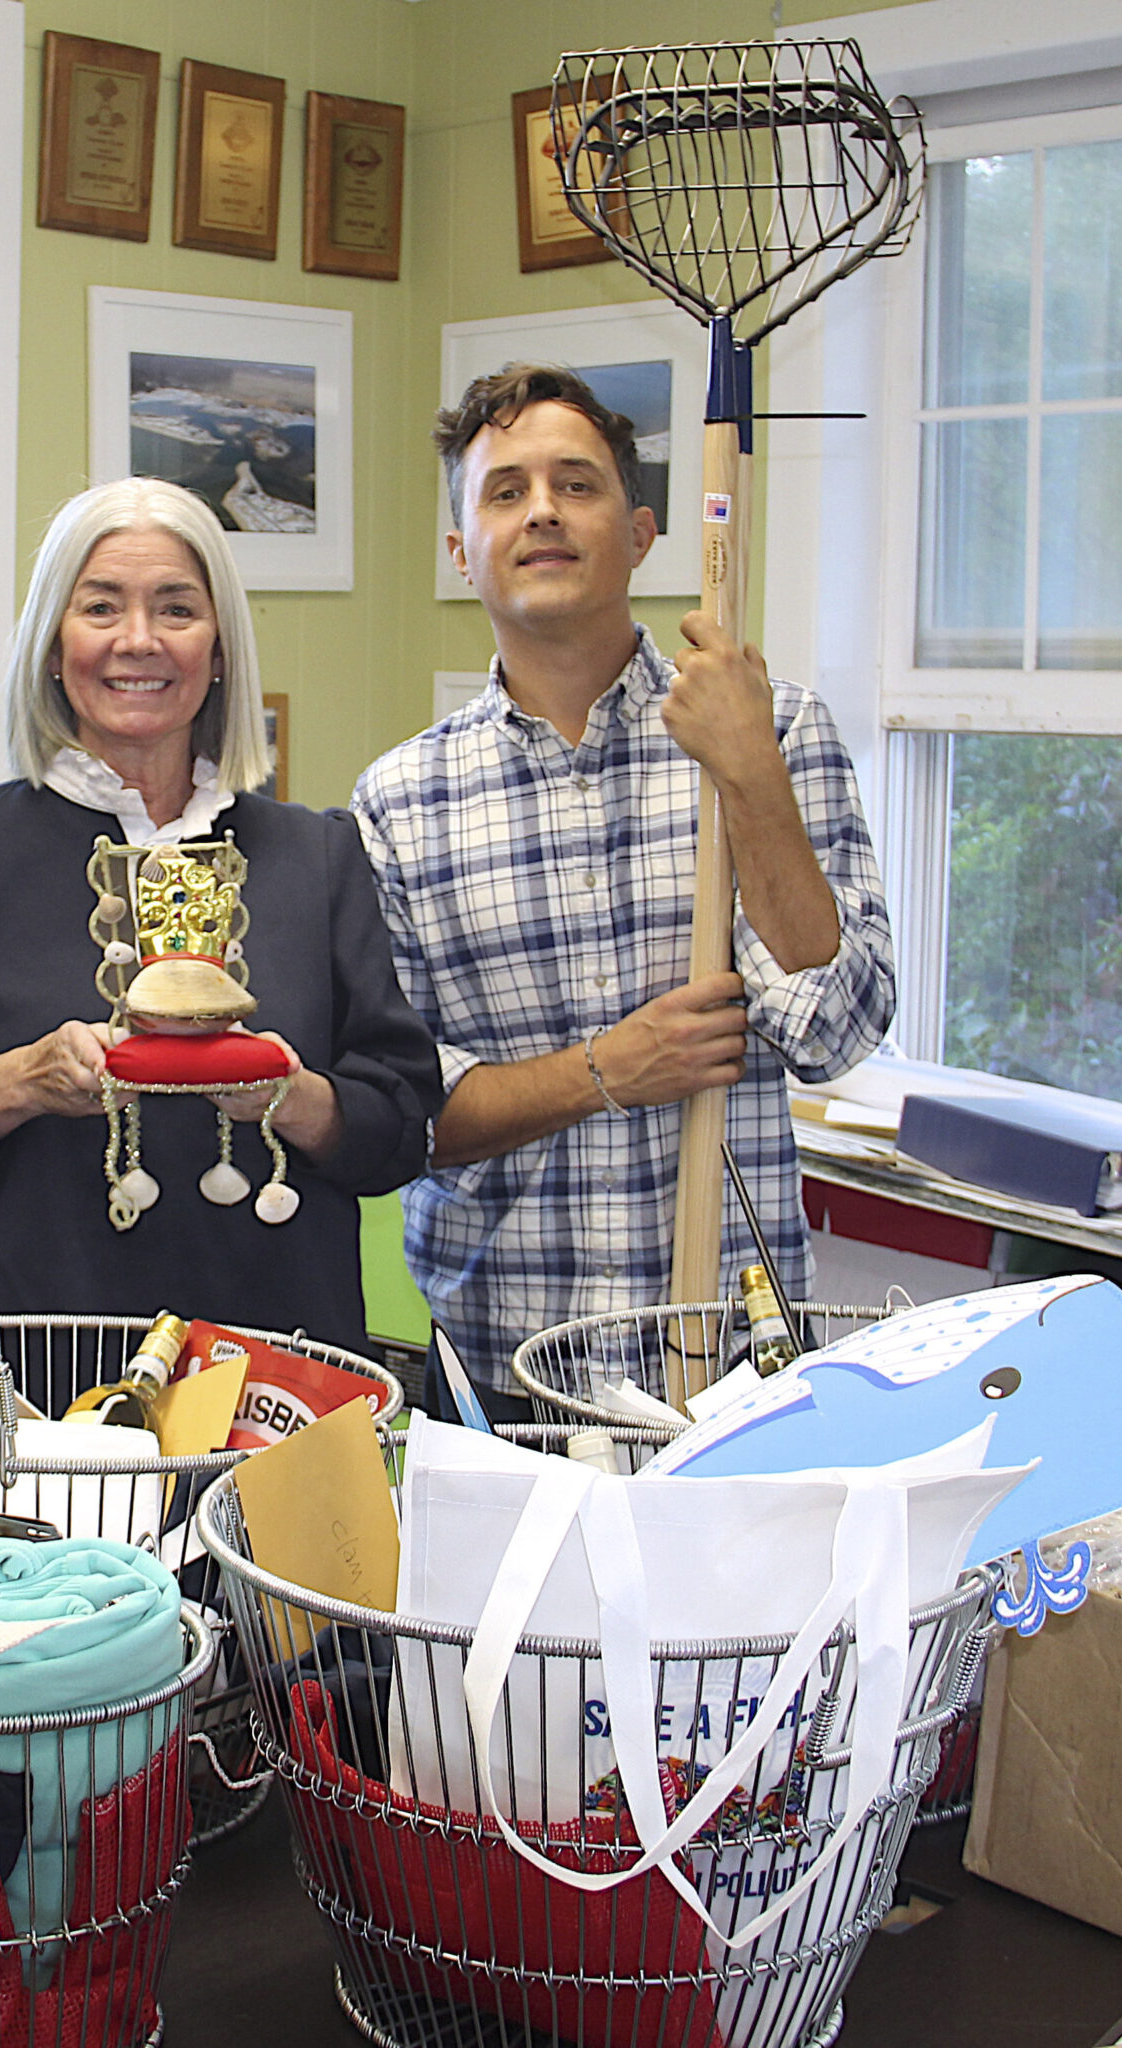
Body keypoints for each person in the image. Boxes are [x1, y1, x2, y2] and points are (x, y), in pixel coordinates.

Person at [352, 364, 895, 1400]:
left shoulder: (771, 728)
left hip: (738, 1355)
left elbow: (837, 1029)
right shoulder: (397, 802)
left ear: (642, 532)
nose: (543, 510)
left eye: (577, 483)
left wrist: (747, 776)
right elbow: (404, 1114)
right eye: (505, 490)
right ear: (462, 551)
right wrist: (609, 1066)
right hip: (505, 1367)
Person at [0, 478, 441, 1350]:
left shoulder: (318, 855)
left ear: (219, 649)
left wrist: (290, 1098)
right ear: (52, 644)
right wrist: (22, 1082)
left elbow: (400, 1131)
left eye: (176, 609)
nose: (137, 640)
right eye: (101, 606)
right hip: (35, 1381)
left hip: (277, 1375)